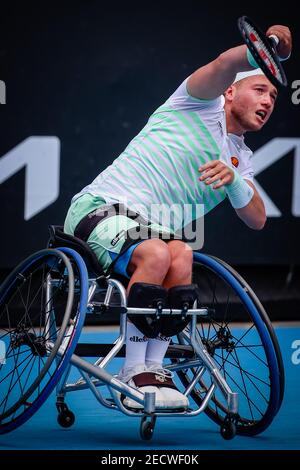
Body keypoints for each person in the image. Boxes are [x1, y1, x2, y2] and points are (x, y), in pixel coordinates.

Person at [64, 24, 292, 410]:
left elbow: (257, 219)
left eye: (273, 95)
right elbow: (225, 62)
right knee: (157, 254)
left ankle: (154, 367)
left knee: (181, 256)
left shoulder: (242, 159)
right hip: (100, 209)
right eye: (259, 89)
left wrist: (235, 179)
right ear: (231, 91)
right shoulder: (195, 103)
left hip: (154, 234)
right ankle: (133, 370)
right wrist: (268, 50)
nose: (268, 101)